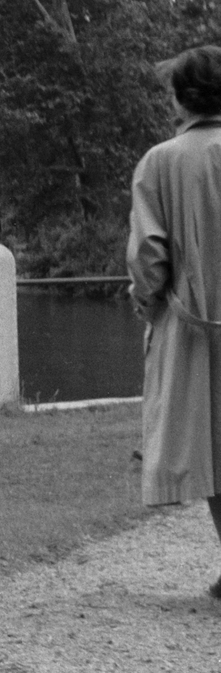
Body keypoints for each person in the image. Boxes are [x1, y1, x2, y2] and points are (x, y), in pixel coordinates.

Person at [127, 45, 221, 596]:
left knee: (212, 445)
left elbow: (149, 255)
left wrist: (147, 302)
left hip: (195, 329)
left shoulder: (162, 160)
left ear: (179, 96)